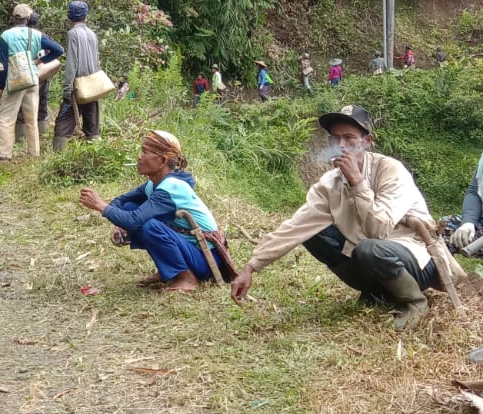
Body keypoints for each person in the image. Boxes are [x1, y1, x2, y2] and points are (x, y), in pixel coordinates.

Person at [230, 103, 451, 331]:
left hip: (415, 261)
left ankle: (414, 301)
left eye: (349, 138)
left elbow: (379, 230)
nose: (342, 146)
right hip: (369, 254)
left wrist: (358, 183)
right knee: (313, 233)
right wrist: (251, 267)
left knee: (370, 248)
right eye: (335, 139)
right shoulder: (329, 183)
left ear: (367, 142)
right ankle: (375, 291)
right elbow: (295, 226)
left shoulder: (391, 170)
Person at [78, 130, 223, 295]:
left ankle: (188, 278)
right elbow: (120, 203)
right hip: (192, 250)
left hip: (207, 259)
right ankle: (169, 270)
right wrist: (121, 224)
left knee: (149, 226)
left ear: (162, 161)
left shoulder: (172, 188)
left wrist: (99, 205)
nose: (139, 157)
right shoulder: (153, 185)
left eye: (145, 152)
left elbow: (133, 221)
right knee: (130, 208)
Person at [0, 4, 63, 161]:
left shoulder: (6, 35)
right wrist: (40, 60)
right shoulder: (37, 34)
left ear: (14, 17)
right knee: (32, 117)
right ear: (28, 18)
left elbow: (4, 63)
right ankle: (34, 152)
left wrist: (1, 85)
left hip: (15, 78)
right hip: (32, 77)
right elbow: (58, 49)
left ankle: (4, 154)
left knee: (6, 117)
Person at [53, 0, 102, 147]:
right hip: (93, 83)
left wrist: (68, 87)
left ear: (69, 16)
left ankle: (58, 155)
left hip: (78, 84)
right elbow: (96, 60)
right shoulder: (92, 34)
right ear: (85, 16)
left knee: (63, 123)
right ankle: (95, 154)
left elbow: (72, 62)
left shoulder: (72, 34)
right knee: (92, 124)